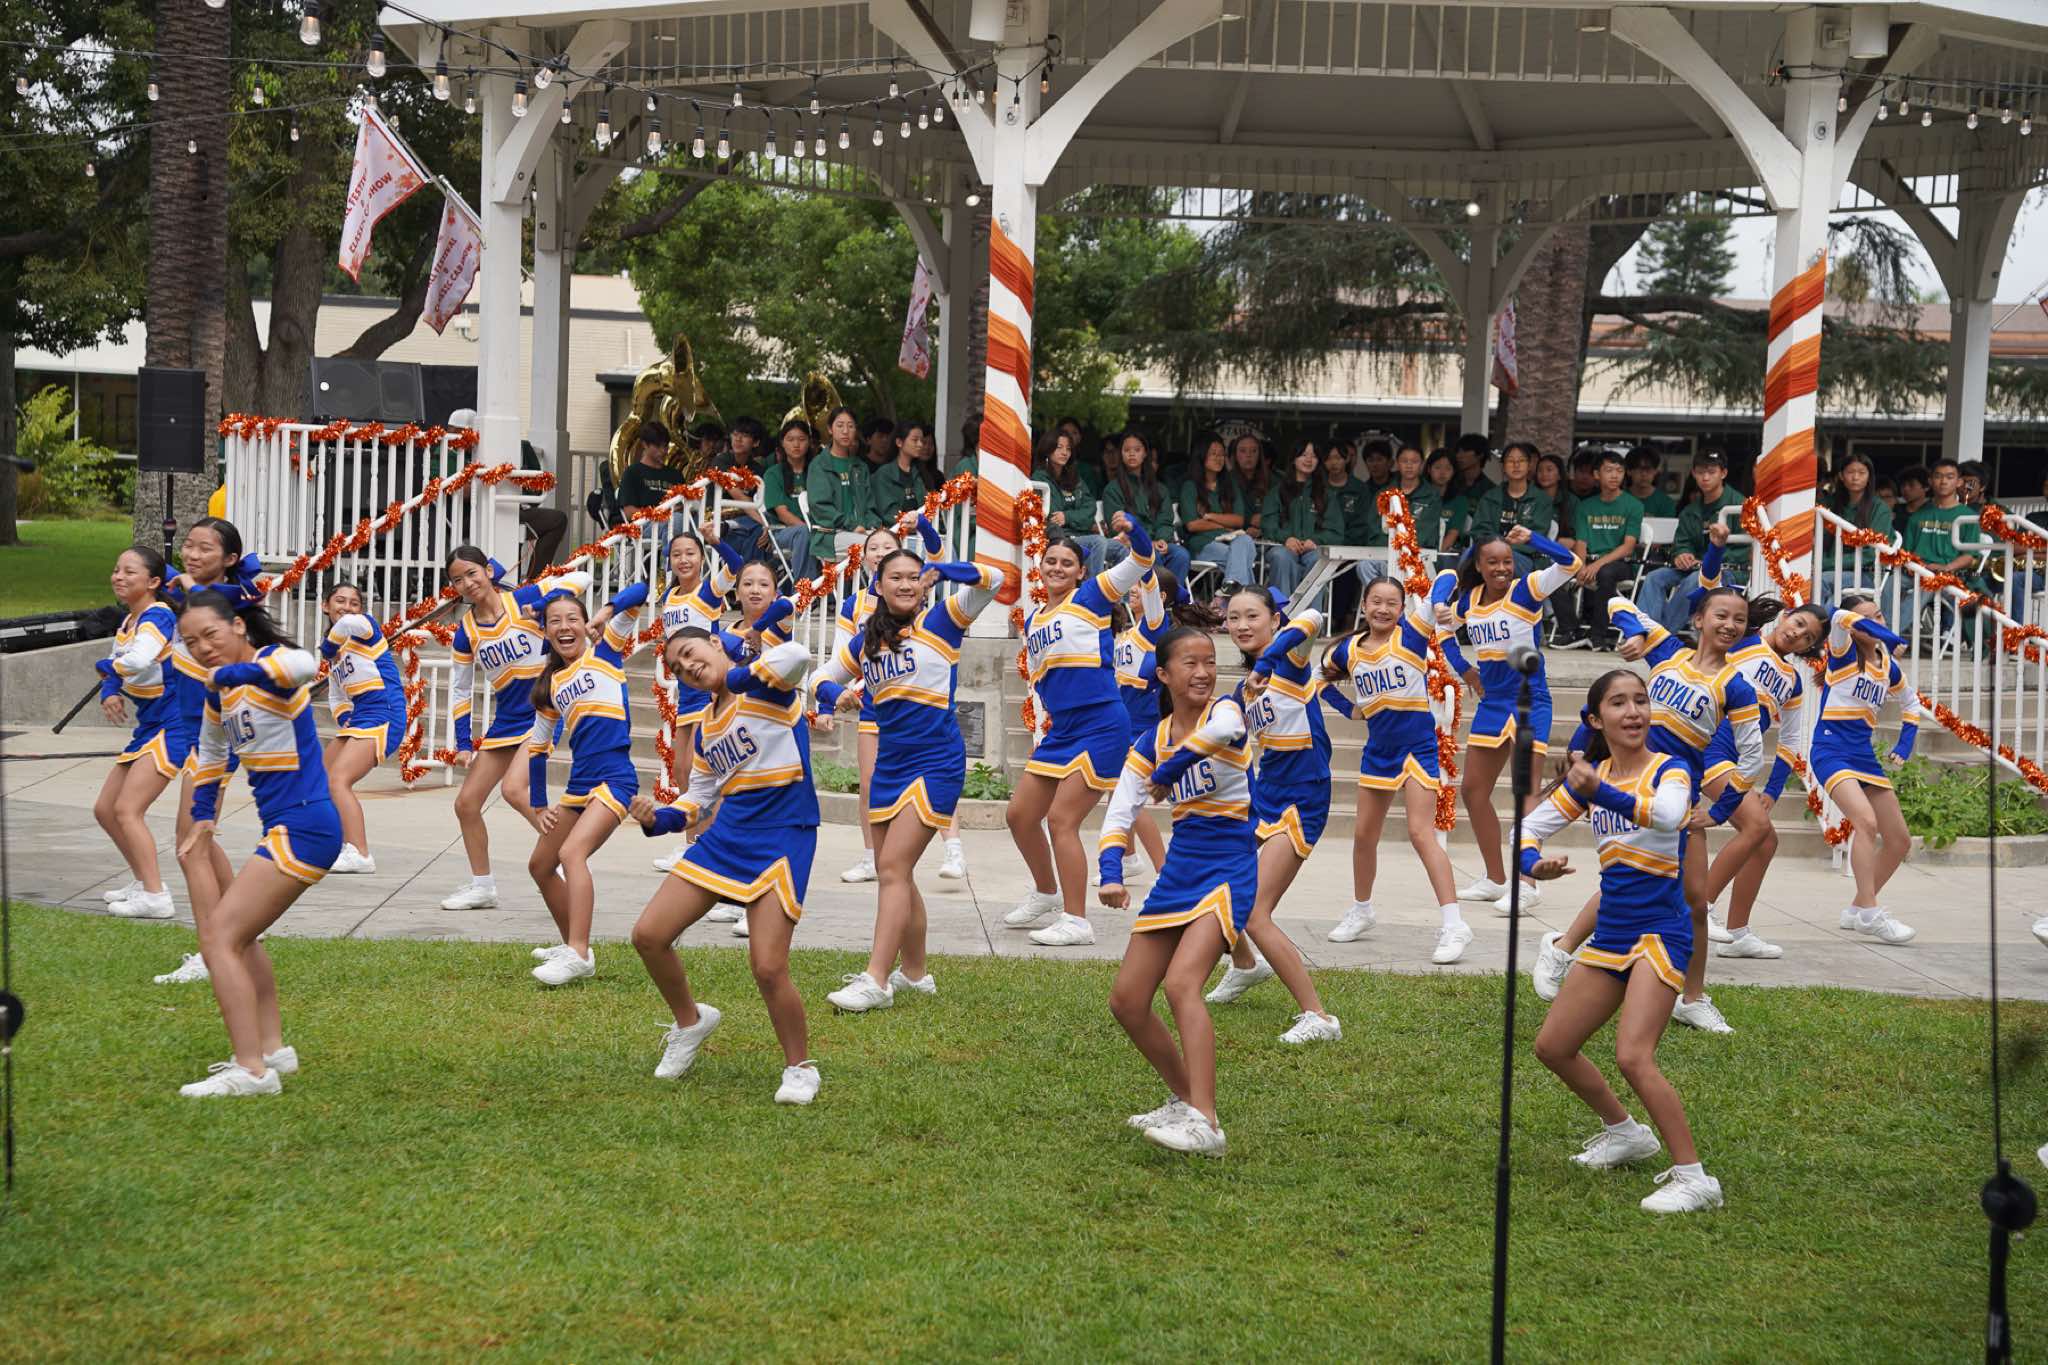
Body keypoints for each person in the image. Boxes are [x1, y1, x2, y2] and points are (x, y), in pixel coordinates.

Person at [1522, 669, 1725, 1214]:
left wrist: (1599, 792)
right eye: (1618, 703)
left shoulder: (1670, 769)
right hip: (1612, 932)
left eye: (1640, 701)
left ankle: (1695, 1178)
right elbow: (1527, 829)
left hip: (1661, 932)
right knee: (1553, 1047)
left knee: (1634, 1056)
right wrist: (1533, 865)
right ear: (1596, 719)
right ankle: (1626, 1133)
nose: (1633, 711)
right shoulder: (1594, 780)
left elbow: (1669, 817)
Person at [1541, 576, 1765, 1032]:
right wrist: (1637, 636)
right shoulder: (1668, 652)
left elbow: (1752, 758)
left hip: (1675, 795)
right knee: (1632, 878)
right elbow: (1616, 602)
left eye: (1739, 620)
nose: (1730, 625)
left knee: (1695, 900)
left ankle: (1691, 997)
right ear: (1698, 619)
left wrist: (1720, 812)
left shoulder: (1736, 687)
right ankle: (1562, 949)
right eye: (1721, 615)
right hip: (1626, 783)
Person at [626, 629, 822, 1105]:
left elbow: (798, 654)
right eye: (677, 667)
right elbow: (698, 798)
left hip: (783, 834)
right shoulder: (706, 728)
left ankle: (800, 1069)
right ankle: (691, 1021)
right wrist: (657, 819)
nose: (687, 667)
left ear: (716, 644)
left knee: (768, 966)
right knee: (648, 935)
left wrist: (734, 676)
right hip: (727, 838)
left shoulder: (767, 686)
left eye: (690, 653)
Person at [817, 554, 1005, 1012]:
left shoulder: (943, 620)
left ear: (924, 584)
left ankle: (876, 980)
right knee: (896, 873)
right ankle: (916, 975)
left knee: (893, 870)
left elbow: (995, 579)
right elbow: (819, 676)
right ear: (878, 586)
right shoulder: (867, 640)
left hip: (936, 761)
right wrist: (835, 693)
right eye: (895, 577)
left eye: (913, 577)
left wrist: (946, 568)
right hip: (890, 764)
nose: (905, 584)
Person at [173, 590, 338, 1096]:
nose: (203, 648)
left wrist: (234, 673)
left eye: (211, 635)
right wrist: (202, 818)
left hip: (306, 826)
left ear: (239, 626)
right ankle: (271, 1051)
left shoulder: (272, 667)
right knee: (241, 938)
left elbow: (306, 664)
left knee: (218, 938)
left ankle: (252, 1072)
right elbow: (209, 756)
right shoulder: (218, 694)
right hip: (288, 826)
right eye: (191, 642)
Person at [1101, 626, 1254, 1157]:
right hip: (1180, 872)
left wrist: (1170, 770)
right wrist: (1110, 871)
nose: (1203, 672)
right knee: (1126, 1001)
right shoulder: (1150, 739)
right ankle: (1184, 1098)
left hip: (1229, 866)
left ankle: (1206, 1124)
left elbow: (1222, 732)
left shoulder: (1226, 712)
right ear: (1163, 675)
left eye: (1210, 661)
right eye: (1190, 663)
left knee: (1182, 984)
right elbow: (1121, 809)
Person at [1005, 514, 1155, 947]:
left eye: (1066, 563)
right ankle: (1046, 892)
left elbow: (1142, 560)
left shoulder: (1091, 596)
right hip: (1062, 730)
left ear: (1080, 571)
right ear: (1041, 566)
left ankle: (1077, 920)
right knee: (1019, 816)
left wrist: (1134, 533)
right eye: (1050, 561)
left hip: (1101, 723)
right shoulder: (1034, 618)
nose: (1056, 568)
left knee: (1061, 820)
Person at [1208, 589, 1342, 1043]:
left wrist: (1267, 662)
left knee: (1254, 912)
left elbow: (1313, 617)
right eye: (1233, 618)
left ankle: (1319, 1017)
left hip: (1302, 800)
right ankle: (1246, 964)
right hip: (1263, 796)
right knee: (1217, 884)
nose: (1242, 625)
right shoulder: (1241, 692)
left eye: (1253, 616)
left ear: (1274, 620)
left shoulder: (1291, 662)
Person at [1320, 576, 1474, 963]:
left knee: (1421, 834)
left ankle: (1454, 924)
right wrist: (1349, 709)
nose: (1383, 609)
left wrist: (1439, 604)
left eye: (1392, 603)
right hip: (1378, 751)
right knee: (1363, 835)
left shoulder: (1411, 634)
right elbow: (1318, 680)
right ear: (1364, 605)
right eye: (1376, 601)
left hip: (1417, 749)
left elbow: (1447, 577)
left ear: (1402, 608)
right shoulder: (1348, 650)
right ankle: (1362, 910)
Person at [1434, 525, 1582, 913]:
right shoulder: (1469, 601)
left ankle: (1526, 883)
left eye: (1507, 561)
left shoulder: (1526, 590)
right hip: (1493, 702)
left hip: (1529, 699)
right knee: (1473, 791)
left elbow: (1571, 563)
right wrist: (1466, 671)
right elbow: (1443, 630)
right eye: (1493, 562)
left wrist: (1533, 540)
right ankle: (1495, 878)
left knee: (1525, 790)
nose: (1501, 568)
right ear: (1479, 566)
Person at [439, 549, 590, 911]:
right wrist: (463, 742)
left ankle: (565, 855)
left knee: (514, 789)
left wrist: (543, 606)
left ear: (489, 571)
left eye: (472, 573)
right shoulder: (466, 632)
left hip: (543, 712)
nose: (467, 583)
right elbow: (460, 690)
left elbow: (581, 579)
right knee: (466, 804)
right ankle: (483, 886)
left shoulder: (522, 599)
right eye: (458, 580)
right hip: (506, 721)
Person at [151, 517, 265, 987]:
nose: (193, 555)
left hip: (216, 737)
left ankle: (212, 950)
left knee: (190, 845)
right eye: (189, 546)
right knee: (199, 840)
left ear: (230, 559)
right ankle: (239, 927)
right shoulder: (196, 597)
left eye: (205, 549)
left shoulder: (227, 601)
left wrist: (188, 587)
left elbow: (231, 603)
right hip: (196, 733)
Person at [523, 579, 651, 985]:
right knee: (540, 865)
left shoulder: (606, 651)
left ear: (584, 624)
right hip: (579, 786)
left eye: (572, 619)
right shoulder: (550, 685)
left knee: (572, 854)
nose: (564, 627)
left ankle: (578, 952)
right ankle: (572, 946)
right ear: (545, 632)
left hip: (614, 779)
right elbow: (537, 749)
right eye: (554, 621)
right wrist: (539, 804)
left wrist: (605, 612)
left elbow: (641, 590)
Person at [831, 517, 945, 886]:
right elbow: (838, 661)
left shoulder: (912, 591)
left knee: (932, 776)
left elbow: (938, 559)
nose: (880, 552)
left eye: (887, 546)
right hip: (873, 701)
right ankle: (871, 856)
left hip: (916, 699)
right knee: (869, 783)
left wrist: (923, 524)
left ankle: (953, 847)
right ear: (865, 559)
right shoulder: (854, 603)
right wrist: (831, 697)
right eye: (873, 548)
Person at [1810, 596, 1924, 943]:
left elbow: (1911, 703)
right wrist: (1885, 634)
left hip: (1863, 756)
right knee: (1866, 823)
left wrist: (1904, 744)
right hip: (1831, 750)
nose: (1876, 622)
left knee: (1899, 840)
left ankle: (1858, 908)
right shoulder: (1842, 651)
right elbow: (1836, 615)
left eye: (1879, 615)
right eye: (1867, 619)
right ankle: (1871, 913)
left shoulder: (1887, 665)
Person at [93, 546, 193, 921]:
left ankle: (155, 896)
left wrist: (106, 667)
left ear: (153, 582)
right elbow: (119, 665)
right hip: (150, 725)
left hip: (174, 724)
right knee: (106, 810)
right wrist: (109, 691)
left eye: (129, 571)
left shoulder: (158, 616)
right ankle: (143, 882)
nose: (118, 576)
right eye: (116, 570)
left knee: (127, 809)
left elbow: (136, 660)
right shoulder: (129, 621)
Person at [647, 527, 745, 875]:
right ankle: (692, 843)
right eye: (677, 554)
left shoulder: (708, 591)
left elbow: (736, 565)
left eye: (690, 553)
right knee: (681, 770)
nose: (684, 559)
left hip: (707, 691)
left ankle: (704, 845)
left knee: (701, 771)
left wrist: (717, 541)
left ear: (701, 558)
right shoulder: (669, 596)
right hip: (685, 692)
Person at [316, 580, 406, 874]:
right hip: (361, 715)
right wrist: (344, 717)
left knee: (338, 780)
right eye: (339, 601)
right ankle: (337, 844)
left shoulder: (364, 627)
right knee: (321, 777)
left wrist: (328, 647)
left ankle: (360, 853)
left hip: (384, 711)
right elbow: (336, 695)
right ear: (325, 606)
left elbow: (347, 623)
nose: (347, 607)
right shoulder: (336, 653)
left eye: (354, 602)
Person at [1636, 451, 1746, 633]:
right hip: (1694, 568)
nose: (1705, 477)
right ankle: (1644, 632)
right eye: (1700, 472)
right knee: (1654, 577)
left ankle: (1662, 636)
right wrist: (1681, 555)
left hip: (1729, 571)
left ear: (1723, 473)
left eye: (1711, 472)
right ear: (1693, 473)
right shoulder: (1690, 510)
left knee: (1695, 581)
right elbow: (1681, 543)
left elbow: (1746, 550)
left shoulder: (1740, 505)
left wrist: (1709, 562)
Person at [1554, 450, 1642, 649]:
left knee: (1605, 573)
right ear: (1596, 474)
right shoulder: (1585, 506)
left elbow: (1628, 547)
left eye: (1619, 471)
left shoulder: (1633, 505)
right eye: (1608, 470)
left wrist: (1596, 565)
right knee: (1554, 573)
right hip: (1589, 561)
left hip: (1620, 564)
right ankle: (1572, 630)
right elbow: (1581, 542)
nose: (1614, 475)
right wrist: (1581, 566)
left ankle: (1598, 636)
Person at [1903, 458, 1976, 644]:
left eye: (1950, 477)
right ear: (1930, 481)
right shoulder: (1918, 514)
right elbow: (1906, 552)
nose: (1943, 481)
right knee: (1889, 584)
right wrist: (1914, 566)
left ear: (1959, 482)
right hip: (1916, 572)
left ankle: (1888, 634)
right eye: (1938, 476)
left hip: (1949, 577)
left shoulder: (1968, 516)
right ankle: (1880, 630)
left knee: (1927, 585)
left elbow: (1970, 556)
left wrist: (1946, 567)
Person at [1101, 429, 1189, 583]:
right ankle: (1155, 596)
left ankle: (1170, 597)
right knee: (1152, 555)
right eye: (1127, 450)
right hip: (1130, 546)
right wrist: (1147, 542)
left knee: (1181, 555)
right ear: (1121, 454)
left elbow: (1165, 521)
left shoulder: (1160, 489)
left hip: (1157, 543)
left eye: (1137, 450)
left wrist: (1162, 539)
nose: (1132, 454)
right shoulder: (1112, 489)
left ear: (1145, 453)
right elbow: (1117, 527)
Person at [1179, 433, 1257, 593]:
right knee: (1241, 557)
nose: (1218, 458)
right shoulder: (1190, 487)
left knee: (1245, 540)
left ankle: (1229, 592)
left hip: (1231, 541)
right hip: (1203, 544)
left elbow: (1238, 520)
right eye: (1213, 454)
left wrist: (1209, 516)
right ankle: (1245, 596)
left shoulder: (1229, 485)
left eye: (1221, 454)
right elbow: (1192, 525)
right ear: (1201, 456)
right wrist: (1223, 525)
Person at [1468, 442, 1558, 571]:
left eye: (1521, 461)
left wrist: (1505, 548)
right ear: (1503, 467)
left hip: (1527, 558)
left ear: (1529, 466)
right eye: (1510, 461)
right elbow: (1480, 531)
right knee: (1466, 560)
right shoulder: (1490, 497)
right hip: (1490, 553)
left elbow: (1536, 536)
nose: (1516, 465)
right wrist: (1495, 548)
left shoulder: (1541, 500)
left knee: (1504, 560)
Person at [1261, 439, 1334, 596]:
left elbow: (1335, 530)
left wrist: (1315, 540)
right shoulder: (1277, 492)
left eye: (1313, 456)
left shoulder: (1326, 494)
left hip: (1313, 549)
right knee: (1281, 557)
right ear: (1293, 459)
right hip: (1282, 546)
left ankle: (1312, 612)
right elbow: (1268, 525)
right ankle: (1283, 610)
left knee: (1318, 559)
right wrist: (1286, 538)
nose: (1309, 459)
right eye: (1303, 454)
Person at [1819, 452, 1893, 601]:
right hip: (1832, 570)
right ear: (1841, 476)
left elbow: (1872, 553)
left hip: (1865, 574)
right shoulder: (1831, 504)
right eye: (1850, 472)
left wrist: (1825, 564)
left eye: (1861, 473)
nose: (1855, 477)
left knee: (1821, 581)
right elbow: (1820, 540)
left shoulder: (1880, 509)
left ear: (1869, 477)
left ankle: (1819, 617)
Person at [806, 406, 876, 563]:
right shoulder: (819, 465)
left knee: (888, 542)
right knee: (875, 547)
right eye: (840, 425)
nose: (845, 431)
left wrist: (875, 525)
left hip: (861, 533)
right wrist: (852, 525)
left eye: (850, 426)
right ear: (830, 429)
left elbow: (869, 506)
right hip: (829, 536)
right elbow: (821, 507)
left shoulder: (860, 467)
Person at [760, 419, 819, 583]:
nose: (796, 444)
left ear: (809, 442)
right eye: (790, 439)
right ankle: (804, 590)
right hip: (783, 531)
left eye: (801, 439)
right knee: (804, 533)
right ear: (782, 443)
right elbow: (782, 513)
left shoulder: (818, 471)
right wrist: (811, 531)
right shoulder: (773, 473)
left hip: (816, 529)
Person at [1036, 428, 1104, 569]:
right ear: (1048, 449)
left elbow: (1090, 509)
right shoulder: (1040, 478)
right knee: (1099, 543)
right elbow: (1052, 517)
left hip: (1083, 535)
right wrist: (1078, 518)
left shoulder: (1074, 477)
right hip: (1061, 539)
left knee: (1120, 548)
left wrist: (1067, 517)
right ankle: (1092, 584)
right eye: (1059, 447)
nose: (1064, 452)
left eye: (1068, 449)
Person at [713, 416, 770, 562]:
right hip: (716, 518)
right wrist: (764, 523)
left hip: (744, 522)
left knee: (758, 532)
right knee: (758, 531)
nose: (738, 439)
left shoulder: (758, 470)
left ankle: (745, 571)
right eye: (735, 434)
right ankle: (750, 570)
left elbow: (761, 504)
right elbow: (738, 496)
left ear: (755, 442)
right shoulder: (721, 460)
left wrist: (764, 523)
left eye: (744, 435)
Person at [616, 421, 680, 522]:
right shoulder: (632, 473)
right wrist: (660, 514)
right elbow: (629, 513)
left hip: (674, 523)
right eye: (658, 446)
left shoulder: (675, 475)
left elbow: (683, 505)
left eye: (665, 446)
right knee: (677, 520)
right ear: (645, 444)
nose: (663, 451)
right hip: (645, 525)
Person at [1423, 449, 1467, 552]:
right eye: (1437, 467)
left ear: (1454, 472)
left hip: (1443, 554)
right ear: (1429, 469)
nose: (1442, 473)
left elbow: (1453, 533)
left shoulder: (1460, 501)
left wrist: (1436, 555)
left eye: (1448, 468)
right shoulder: (1419, 496)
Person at [1625, 449, 1680, 518]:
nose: (1644, 474)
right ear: (1629, 471)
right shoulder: (1618, 499)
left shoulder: (1666, 503)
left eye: (1648, 469)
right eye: (1639, 469)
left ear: (1655, 471)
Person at [1534, 452, 1573, 538]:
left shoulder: (1571, 501)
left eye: (1549, 470)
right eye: (1540, 470)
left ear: (1559, 475)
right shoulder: (1531, 498)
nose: (1544, 474)